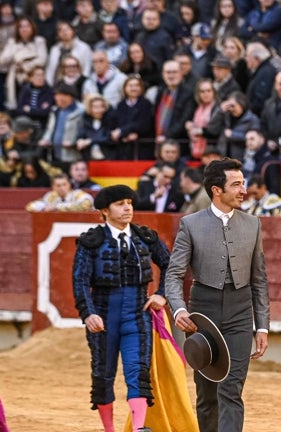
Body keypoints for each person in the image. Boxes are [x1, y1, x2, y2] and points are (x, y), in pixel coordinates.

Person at [166, 158, 270, 432]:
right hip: (203, 313)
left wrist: (262, 326)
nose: (243, 190)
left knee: (231, 389)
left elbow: (259, 280)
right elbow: (174, 274)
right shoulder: (191, 224)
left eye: (243, 183)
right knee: (208, 393)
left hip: (239, 312)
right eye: (236, 184)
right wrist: (178, 309)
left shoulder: (253, 224)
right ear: (216, 189)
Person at [71, 184, 172, 432]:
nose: (127, 208)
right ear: (105, 211)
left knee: (138, 370)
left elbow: (172, 266)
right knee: (103, 375)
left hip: (137, 314)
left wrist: (162, 295)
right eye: (120, 204)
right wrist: (88, 312)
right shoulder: (91, 241)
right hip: (103, 316)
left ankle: (138, 428)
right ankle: (109, 430)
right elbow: (80, 279)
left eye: (129, 202)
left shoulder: (146, 237)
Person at [26, 173, 94, 212]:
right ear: (53, 187)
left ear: (69, 185)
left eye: (64, 184)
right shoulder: (50, 196)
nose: (62, 188)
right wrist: (44, 208)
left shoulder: (78, 194)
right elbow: (30, 207)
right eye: (58, 185)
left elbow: (85, 206)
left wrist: (57, 207)